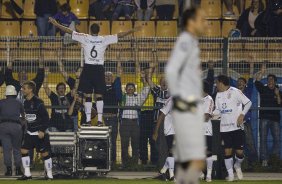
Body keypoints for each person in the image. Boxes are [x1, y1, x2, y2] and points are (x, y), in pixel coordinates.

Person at [49, 17, 141, 127]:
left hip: (88, 68)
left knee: (87, 96)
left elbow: (69, 31)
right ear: (98, 31)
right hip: (98, 68)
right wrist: (132, 30)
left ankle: (88, 121)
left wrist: (57, 24)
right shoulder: (104, 39)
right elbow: (119, 35)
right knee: (99, 96)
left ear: (90, 31)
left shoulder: (85, 37)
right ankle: (100, 121)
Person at [165, 7, 207, 184]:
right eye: (201, 19)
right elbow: (171, 70)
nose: (204, 23)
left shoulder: (192, 42)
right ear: (191, 22)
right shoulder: (186, 41)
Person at [213, 75, 252, 181]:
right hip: (224, 128)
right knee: (227, 151)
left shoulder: (235, 91)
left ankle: (237, 165)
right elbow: (218, 111)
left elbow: (248, 103)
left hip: (237, 127)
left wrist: (242, 114)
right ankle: (230, 175)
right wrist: (210, 114)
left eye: (217, 83)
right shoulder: (218, 95)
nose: (216, 85)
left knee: (239, 152)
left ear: (221, 83)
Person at [19, 81, 53, 180]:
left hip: (39, 133)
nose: (22, 90)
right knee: (23, 150)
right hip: (29, 133)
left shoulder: (38, 102)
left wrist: (42, 130)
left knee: (45, 154)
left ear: (30, 90)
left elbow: (46, 118)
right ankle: (27, 174)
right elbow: (24, 118)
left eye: (24, 88)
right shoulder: (24, 102)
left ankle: (50, 176)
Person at [120, 72, 150, 166]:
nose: (130, 89)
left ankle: (134, 164)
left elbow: (146, 90)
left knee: (135, 144)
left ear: (134, 89)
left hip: (135, 123)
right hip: (124, 122)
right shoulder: (121, 98)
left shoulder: (138, 98)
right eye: (128, 87)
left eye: (132, 88)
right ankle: (125, 163)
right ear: (125, 89)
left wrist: (144, 79)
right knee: (124, 144)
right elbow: (116, 89)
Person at [231, 61, 257, 166]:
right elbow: (227, 78)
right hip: (235, 123)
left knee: (250, 142)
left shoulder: (249, 90)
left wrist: (251, 64)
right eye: (238, 82)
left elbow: (251, 77)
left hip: (246, 122)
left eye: (242, 82)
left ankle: (254, 163)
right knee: (235, 143)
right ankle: (234, 161)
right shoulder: (233, 92)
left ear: (245, 84)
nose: (240, 83)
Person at [255, 65, 282, 167]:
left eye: (271, 80)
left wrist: (277, 94)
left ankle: (274, 159)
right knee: (263, 139)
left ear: (275, 81)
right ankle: (264, 159)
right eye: (268, 79)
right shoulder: (263, 89)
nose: (270, 81)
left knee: (277, 139)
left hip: (275, 119)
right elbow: (256, 82)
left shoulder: (279, 91)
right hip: (264, 118)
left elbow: (280, 104)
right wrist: (261, 72)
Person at [146, 62, 170, 167]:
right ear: (160, 83)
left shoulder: (172, 93)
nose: (164, 83)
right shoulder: (157, 90)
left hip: (169, 124)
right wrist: (152, 69)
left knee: (167, 145)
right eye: (163, 82)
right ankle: (161, 164)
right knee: (157, 144)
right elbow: (149, 80)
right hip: (157, 122)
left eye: (166, 82)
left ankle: (166, 165)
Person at [0, 85, 24, 176]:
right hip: (16, 126)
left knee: (6, 149)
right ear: (14, 94)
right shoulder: (19, 103)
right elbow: (23, 116)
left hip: (3, 126)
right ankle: (18, 169)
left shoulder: (1, 102)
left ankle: (9, 170)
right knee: (17, 148)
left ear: (6, 94)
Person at [103, 63, 122, 163]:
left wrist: (118, 60)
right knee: (104, 140)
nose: (108, 77)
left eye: (110, 76)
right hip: (103, 118)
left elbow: (119, 74)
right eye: (106, 76)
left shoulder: (116, 87)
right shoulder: (100, 88)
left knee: (113, 141)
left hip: (114, 118)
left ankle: (113, 161)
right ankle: (104, 161)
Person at [153, 97, 175, 181]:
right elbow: (161, 115)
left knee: (173, 152)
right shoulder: (171, 100)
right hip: (170, 130)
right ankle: (171, 175)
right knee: (172, 151)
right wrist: (156, 131)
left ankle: (163, 171)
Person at [200, 81, 215, 182]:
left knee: (207, 152)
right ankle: (200, 172)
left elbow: (206, 117)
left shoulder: (209, 99)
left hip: (205, 130)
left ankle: (209, 174)